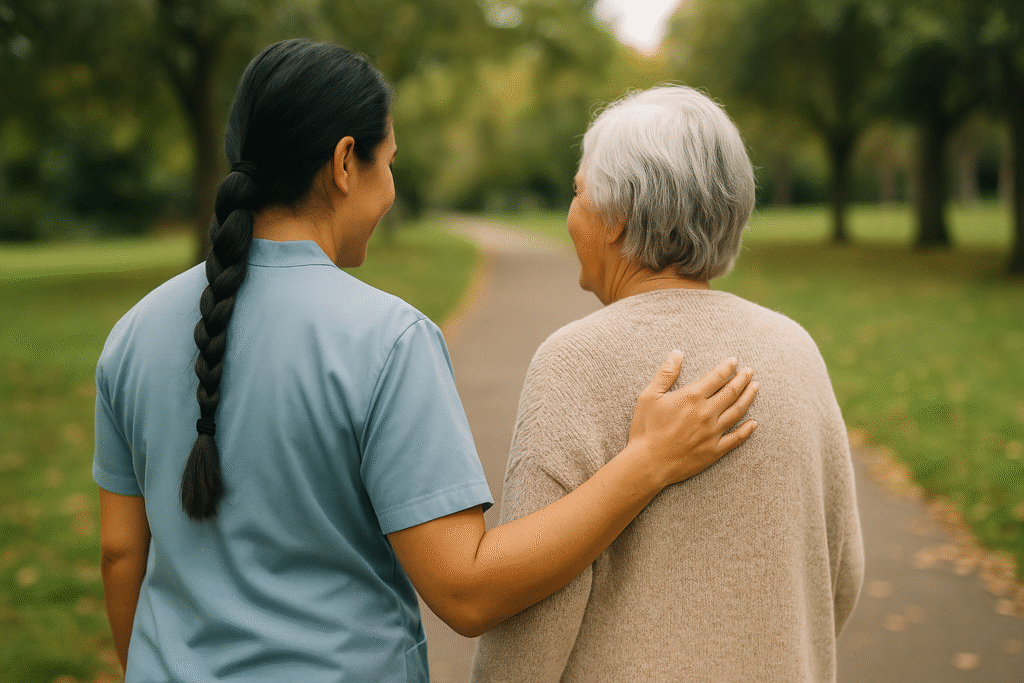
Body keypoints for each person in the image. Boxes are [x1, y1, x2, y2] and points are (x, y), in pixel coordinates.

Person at [93, 41, 760, 682]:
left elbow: (121, 554)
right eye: (390, 165)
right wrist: (645, 464)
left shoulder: (130, 335)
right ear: (346, 162)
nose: (389, 192)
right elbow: (467, 588)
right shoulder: (386, 338)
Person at [471, 85, 864, 683]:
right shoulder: (795, 349)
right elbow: (843, 572)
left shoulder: (574, 362)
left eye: (577, 194)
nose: (570, 215)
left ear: (618, 215)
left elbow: (530, 618)